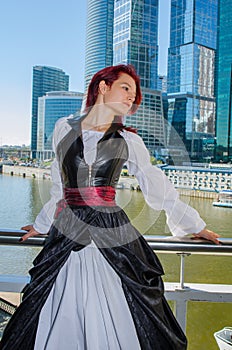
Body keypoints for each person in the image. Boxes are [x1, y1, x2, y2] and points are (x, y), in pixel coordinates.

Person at [0, 64, 220, 350]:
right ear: (103, 87)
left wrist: (194, 226)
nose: (132, 97)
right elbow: (59, 186)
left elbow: (156, 184)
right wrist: (41, 225)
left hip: (112, 231)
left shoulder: (129, 139)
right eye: (125, 88)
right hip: (67, 231)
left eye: (134, 93)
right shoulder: (63, 128)